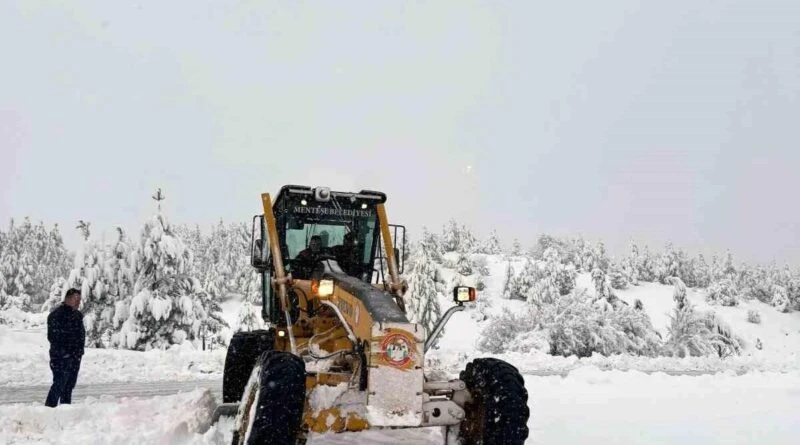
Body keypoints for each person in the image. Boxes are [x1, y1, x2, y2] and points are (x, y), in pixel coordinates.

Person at [45, 288, 85, 407]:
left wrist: (78, 352)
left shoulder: (78, 315)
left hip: (75, 357)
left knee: (69, 385)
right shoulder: (56, 315)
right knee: (59, 383)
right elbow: (53, 337)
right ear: (68, 299)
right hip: (60, 357)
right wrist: (65, 352)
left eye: (79, 300)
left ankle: (65, 410)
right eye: (76, 299)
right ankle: (49, 409)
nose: (78, 302)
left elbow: (80, 335)